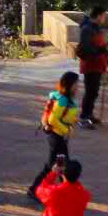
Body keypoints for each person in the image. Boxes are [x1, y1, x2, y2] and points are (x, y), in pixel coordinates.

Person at [28, 71, 79, 203]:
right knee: (56, 165)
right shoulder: (62, 100)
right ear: (69, 85)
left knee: (61, 163)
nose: (78, 87)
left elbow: (62, 117)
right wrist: (66, 130)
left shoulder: (66, 98)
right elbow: (52, 120)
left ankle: (63, 190)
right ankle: (35, 190)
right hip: (56, 136)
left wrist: (70, 123)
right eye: (76, 84)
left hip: (59, 136)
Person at [77, 6, 108, 128]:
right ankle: (83, 118)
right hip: (90, 65)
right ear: (98, 16)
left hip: (98, 65)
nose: (104, 18)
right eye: (103, 16)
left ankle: (89, 114)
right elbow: (86, 49)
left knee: (94, 92)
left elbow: (102, 46)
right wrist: (102, 50)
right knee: (90, 92)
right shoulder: (87, 29)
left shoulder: (96, 28)